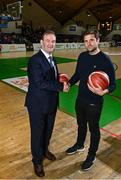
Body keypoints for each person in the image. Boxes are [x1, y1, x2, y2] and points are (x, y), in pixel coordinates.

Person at [65, 30, 116, 171]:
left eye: (91, 40)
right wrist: (69, 83)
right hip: (80, 98)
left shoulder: (105, 60)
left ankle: (91, 155)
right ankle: (79, 145)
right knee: (81, 124)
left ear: (98, 40)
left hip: (95, 102)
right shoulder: (82, 56)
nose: (88, 43)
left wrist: (104, 91)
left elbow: (113, 85)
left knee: (94, 129)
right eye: (86, 41)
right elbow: (77, 74)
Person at [25, 30, 68, 177]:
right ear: (41, 42)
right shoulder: (34, 60)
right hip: (37, 104)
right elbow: (39, 82)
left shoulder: (52, 58)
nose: (51, 43)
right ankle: (37, 161)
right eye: (48, 40)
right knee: (37, 134)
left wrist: (61, 80)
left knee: (48, 131)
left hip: (51, 102)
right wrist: (60, 87)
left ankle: (44, 150)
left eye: (53, 41)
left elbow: (52, 78)